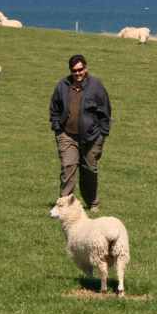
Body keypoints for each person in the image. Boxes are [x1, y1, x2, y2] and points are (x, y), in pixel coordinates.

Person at [49, 54, 112, 212]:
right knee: (68, 167)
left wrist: (102, 135)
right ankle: (64, 205)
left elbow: (105, 112)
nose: (77, 73)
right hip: (67, 135)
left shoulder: (96, 86)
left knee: (89, 170)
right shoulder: (62, 86)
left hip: (92, 137)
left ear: (86, 68)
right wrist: (57, 128)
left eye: (80, 69)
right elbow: (54, 108)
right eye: (74, 70)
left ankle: (92, 202)